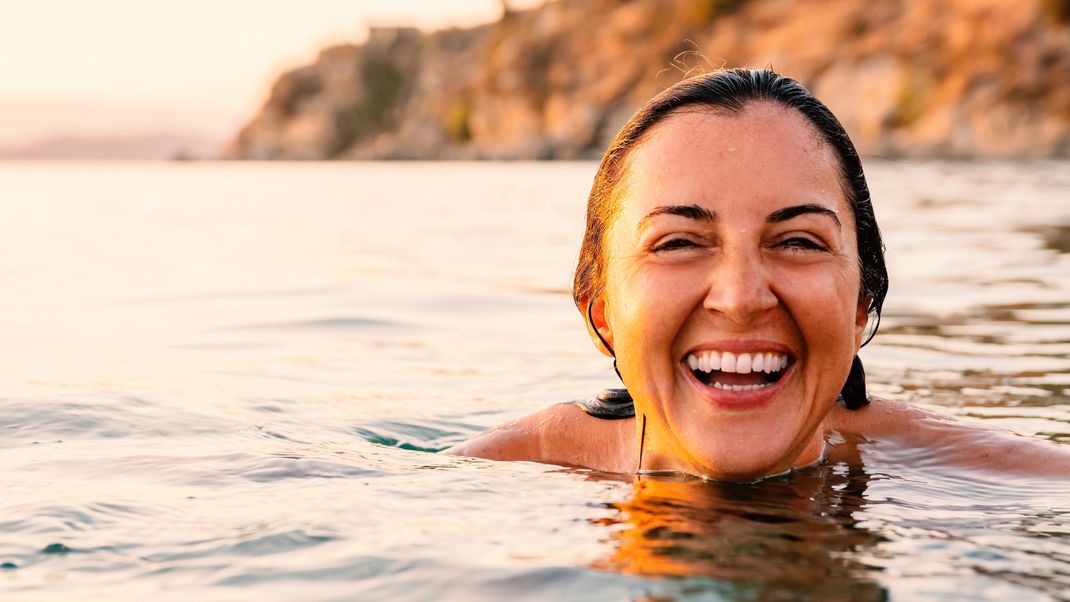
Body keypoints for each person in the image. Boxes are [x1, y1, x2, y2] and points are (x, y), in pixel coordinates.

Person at [446, 68, 1070, 482]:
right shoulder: (498, 480)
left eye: (798, 241)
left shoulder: (1012, 481)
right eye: (679, 243)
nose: (741, 298)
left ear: (861, 306)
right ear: (600, 309)